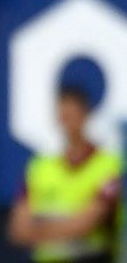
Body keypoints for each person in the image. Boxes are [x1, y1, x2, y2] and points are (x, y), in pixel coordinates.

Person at [7, 87, 122, 263]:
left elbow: (87, 223)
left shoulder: (109, 165)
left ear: (85, 115)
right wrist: (64, 229)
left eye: (72, 115)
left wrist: (38, 231)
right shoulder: (39, 167)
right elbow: (18, 230)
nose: (67, 121)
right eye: (63, 115)